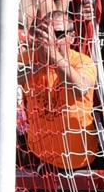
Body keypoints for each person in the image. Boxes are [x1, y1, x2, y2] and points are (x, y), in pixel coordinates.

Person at [20, 11, 99, 171]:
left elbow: (80, 88)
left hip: (79, 161)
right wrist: (39, 65)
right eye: (46, 33)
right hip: (38, 157)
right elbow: (5, 78)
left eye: (58, 34)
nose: (52, 40)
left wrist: (53, 55)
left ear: (72, 37)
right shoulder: (28, 57)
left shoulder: (83, 61)